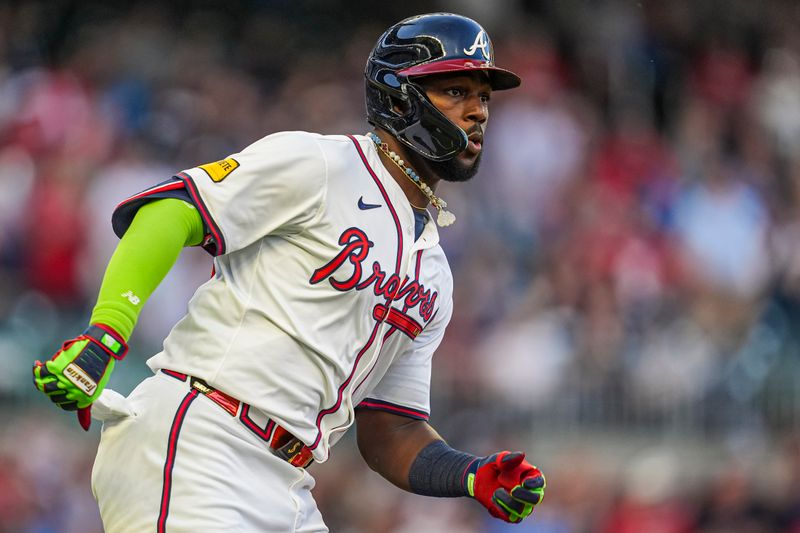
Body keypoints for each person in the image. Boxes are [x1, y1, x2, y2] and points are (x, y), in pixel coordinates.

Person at [32, 12, 546, 532]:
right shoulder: (320, 164)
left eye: (483, 96)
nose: (477, 110)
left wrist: (469, 475)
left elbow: (391, 429)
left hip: (287, 481)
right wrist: (106, 335)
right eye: (456, 90)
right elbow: (171, 211)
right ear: (398, 95)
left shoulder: (434, 269)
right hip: (202, 438)